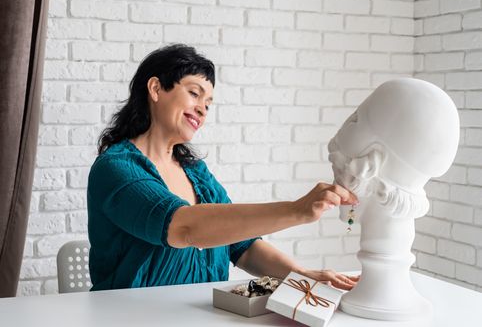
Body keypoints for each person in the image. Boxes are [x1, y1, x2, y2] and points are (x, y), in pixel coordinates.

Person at [87, 43, 359, 292]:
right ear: (156, 89)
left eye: (208, 103)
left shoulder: (196, 173)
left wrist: (302, 275)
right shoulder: (116, 169)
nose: (203, 110)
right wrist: (296, 210)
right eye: (194, 93)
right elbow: (185, 228)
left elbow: (244, 248)